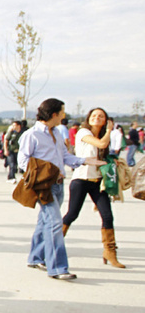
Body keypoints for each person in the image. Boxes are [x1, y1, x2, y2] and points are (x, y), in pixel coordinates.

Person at [18, 98, 103, 280]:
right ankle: (57, 268)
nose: (64, 115)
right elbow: (23, 161)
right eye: (62, 112)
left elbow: (64, 156)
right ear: (54, 114)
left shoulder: (56, 132)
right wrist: (40, 175)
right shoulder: (32, 135)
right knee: (55, 223)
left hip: (58, 185)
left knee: (45, 222)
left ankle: (35, 258)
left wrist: (84, 161)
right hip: (43, 186)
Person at [62, 108, 126, 268]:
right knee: (71, 215)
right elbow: (102, 144)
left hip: (97, 181)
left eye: (101, 116)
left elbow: (103, 152)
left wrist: (112, 161)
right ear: (88, 118)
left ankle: (110, 252)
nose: (97, 118)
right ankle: (51, 246)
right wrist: (110, 130)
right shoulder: (84, 132)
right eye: (94, 116)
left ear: (105, 120)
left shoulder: (103, 136)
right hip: (81, 180)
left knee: (107, 216)